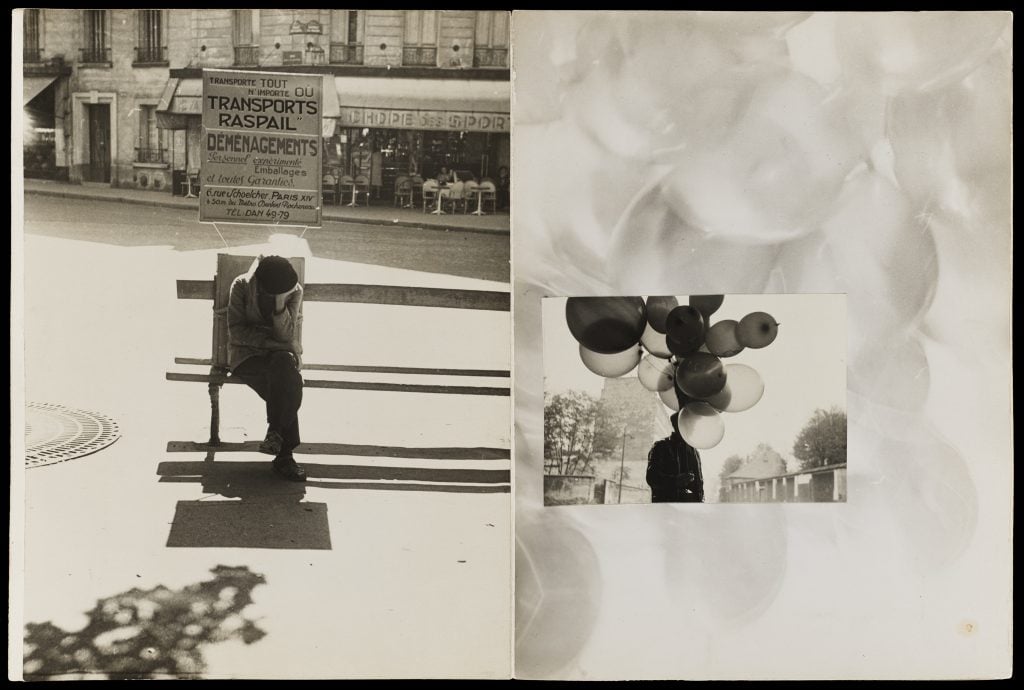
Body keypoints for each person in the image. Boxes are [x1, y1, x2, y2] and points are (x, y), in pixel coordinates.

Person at [227, 255, 306, 482]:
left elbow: (287, 335)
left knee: (285, 375)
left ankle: (275, 433)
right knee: (288, 385)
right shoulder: (241, 286)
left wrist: (281, 302)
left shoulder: (293, 290)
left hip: (278, 358)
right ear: (261, 286)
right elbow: (237, 332)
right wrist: (277, 343)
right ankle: (285, 456)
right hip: (247, 358)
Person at [646, 413, 704, 502]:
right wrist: (675, 481)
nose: (693, 428)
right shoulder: (661, 446)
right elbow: (652, 477)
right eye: (689, 424)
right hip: (667, 507)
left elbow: (699, 484)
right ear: (677, 425)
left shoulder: (694, 451)